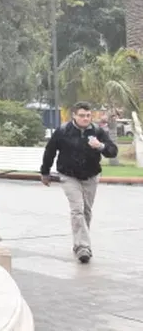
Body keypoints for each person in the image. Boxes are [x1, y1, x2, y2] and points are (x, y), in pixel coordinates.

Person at [40, 101, 118, 263]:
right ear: (74, 116)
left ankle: (80, 244)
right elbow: (50, 151)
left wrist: (101, 146)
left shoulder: (97, 131)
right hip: (69, 175)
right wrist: (45, 172)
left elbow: (112, 151)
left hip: (91, 175)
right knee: (77, 210)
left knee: (87, 211)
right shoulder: (63, 131)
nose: (85, 118)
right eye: (82, 115)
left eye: (88, 116)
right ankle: (83, 247)